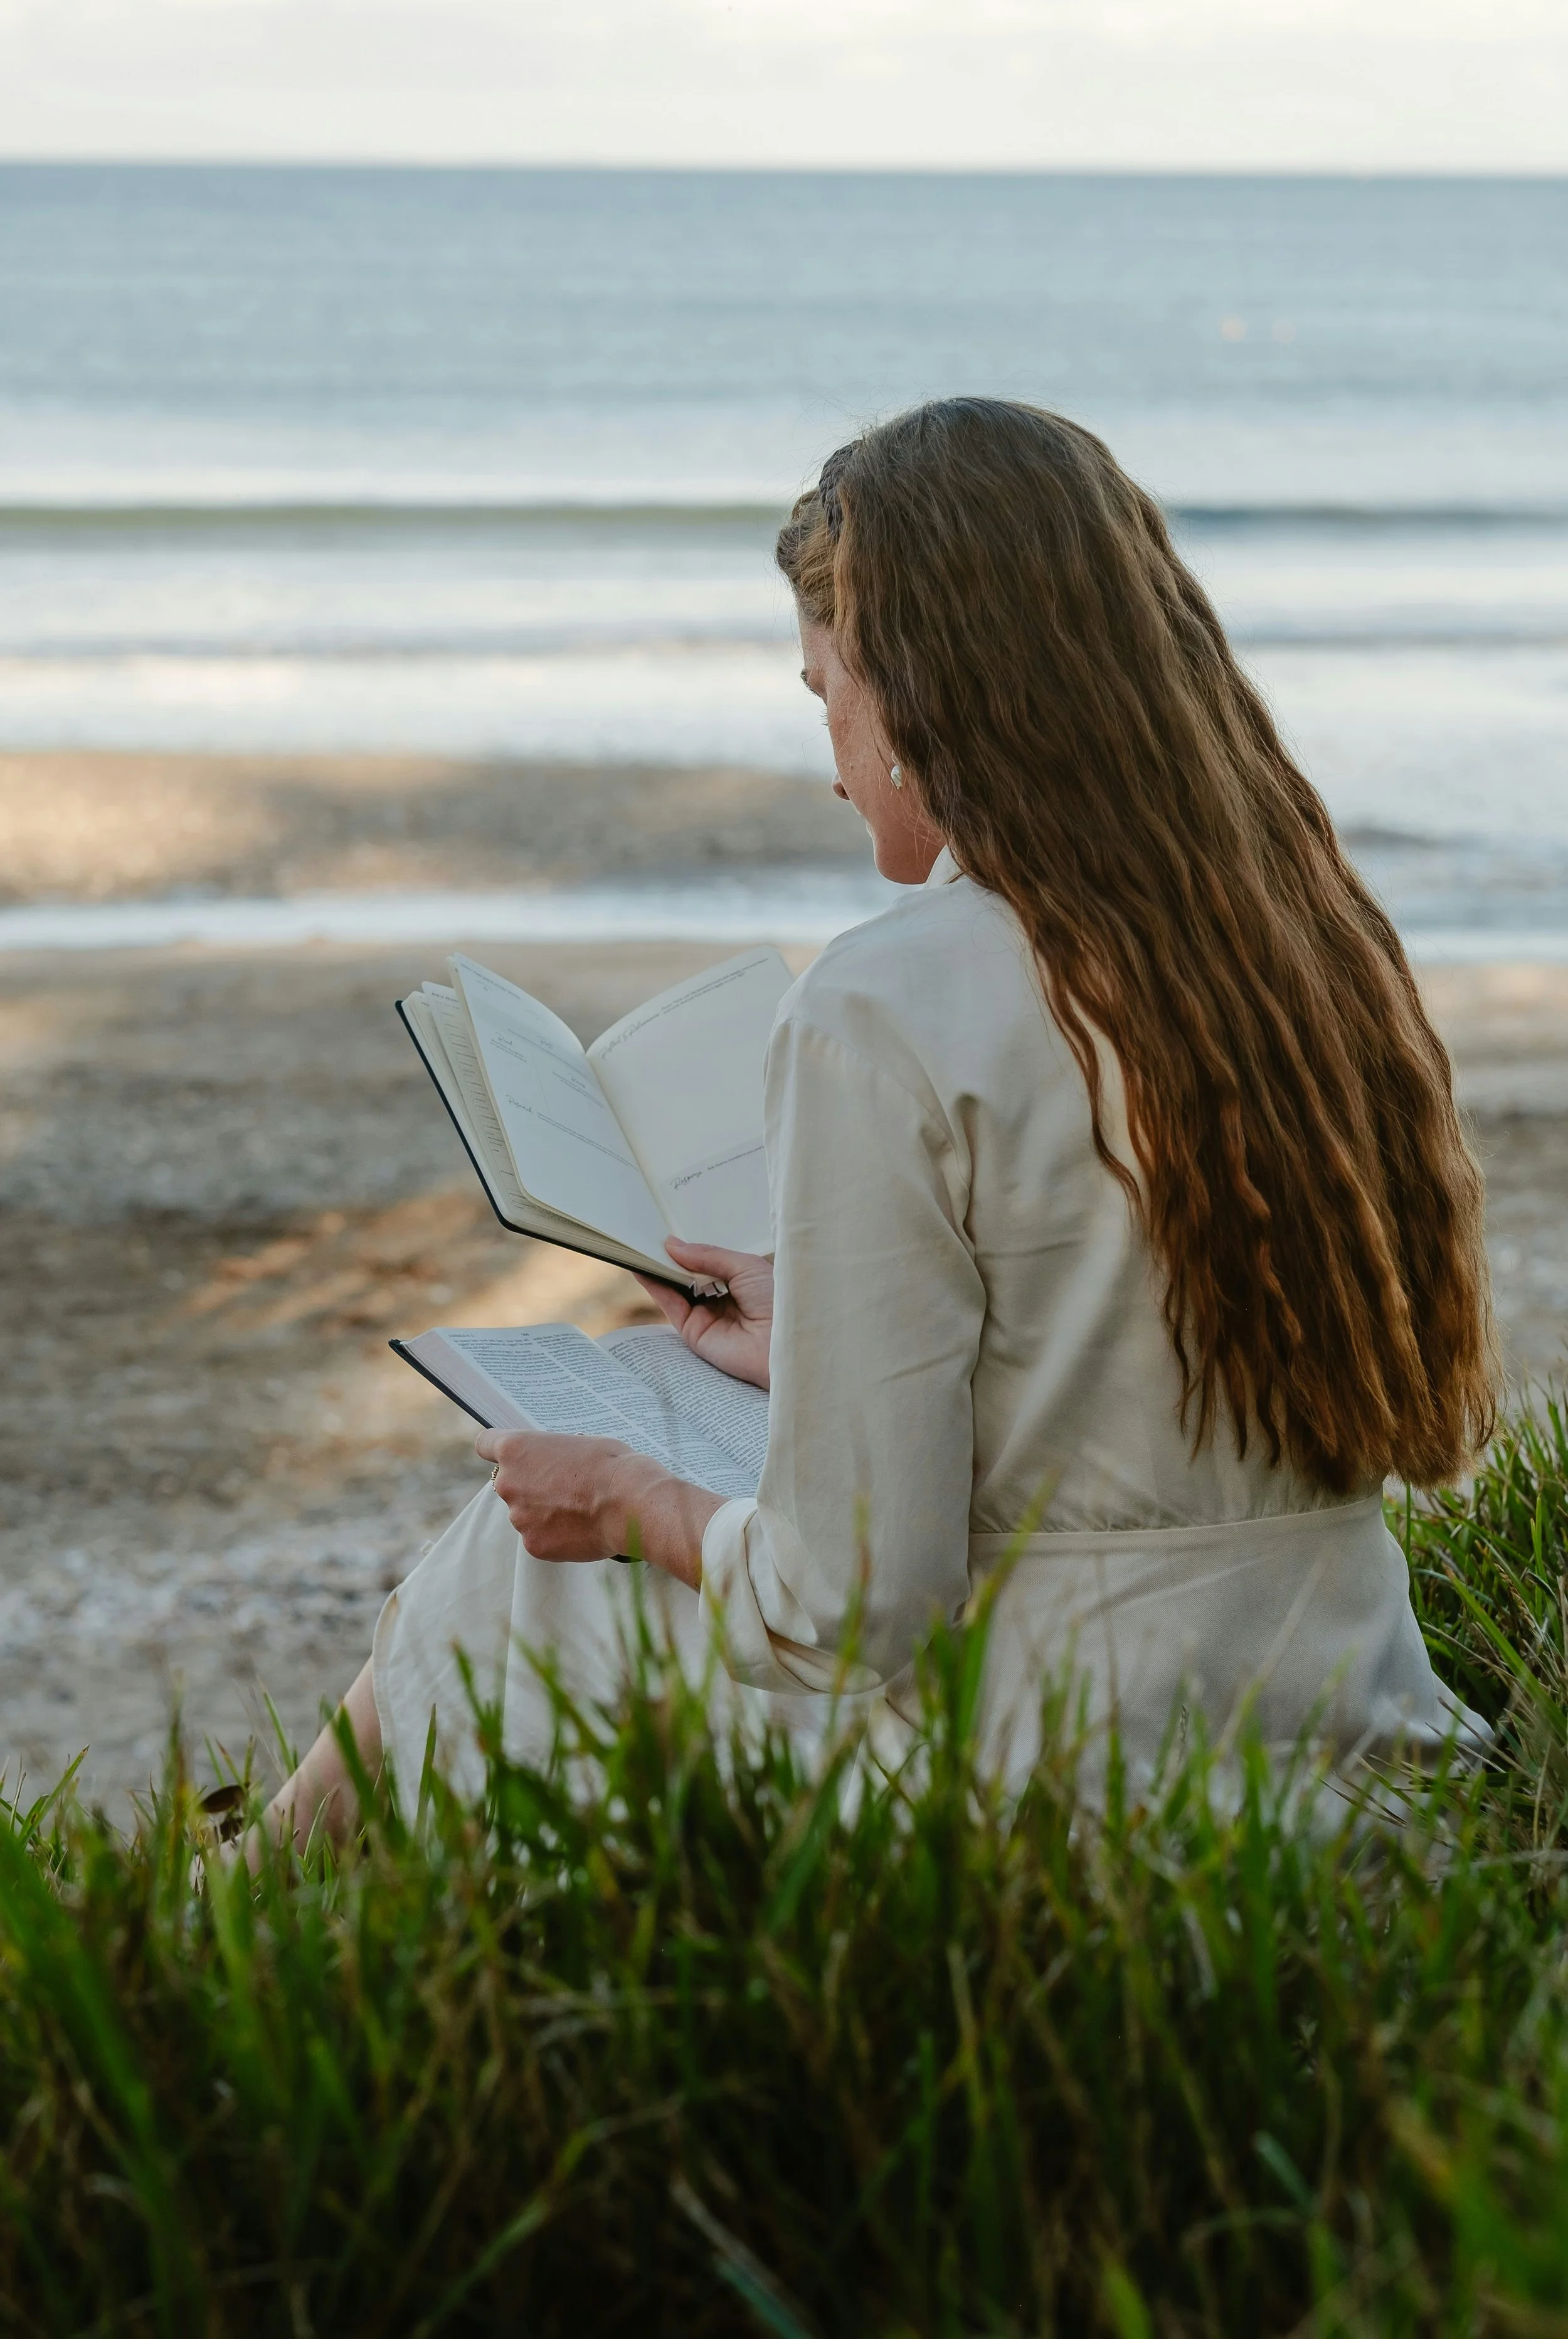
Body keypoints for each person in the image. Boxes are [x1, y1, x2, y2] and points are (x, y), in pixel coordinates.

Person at [257, 398, 1497, 1855]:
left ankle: (223, 1936)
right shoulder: (1296, 948)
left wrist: (632, 1499)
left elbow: (848, 1606)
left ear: (917, 692)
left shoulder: (884, 1000)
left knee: (517, 1567)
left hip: (1079, 1778)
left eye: (822, 693)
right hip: (1346, 1733)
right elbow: (1129, 1374)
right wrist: (818, 1343)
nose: (830, 758)